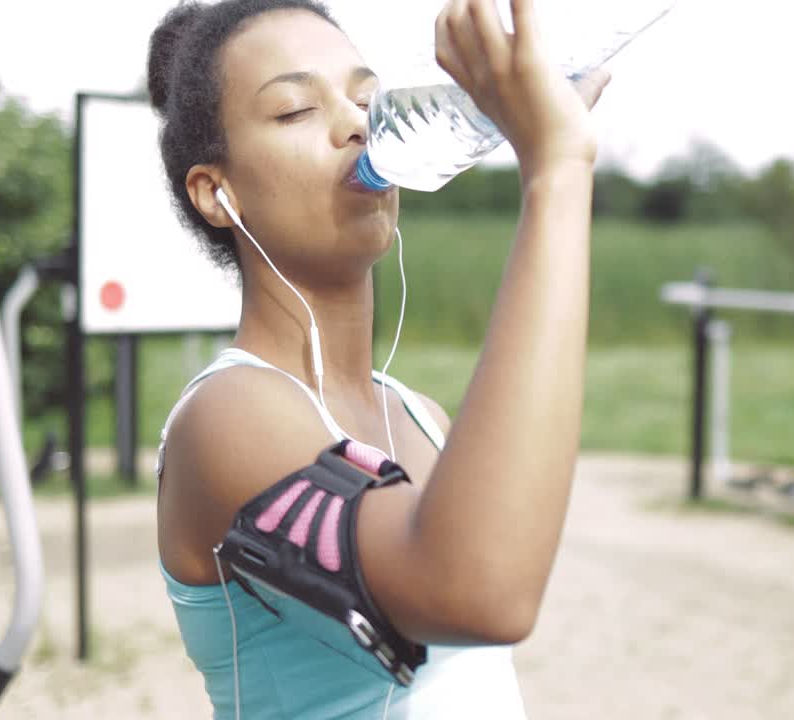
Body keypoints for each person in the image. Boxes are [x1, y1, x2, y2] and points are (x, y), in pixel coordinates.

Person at [150, 0, 609, 717]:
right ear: (217, 192)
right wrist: (554, 169)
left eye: (368, 98)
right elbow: (478, 592)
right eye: (296, 110)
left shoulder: (422, 416)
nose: (357, 124)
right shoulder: (226, 418)